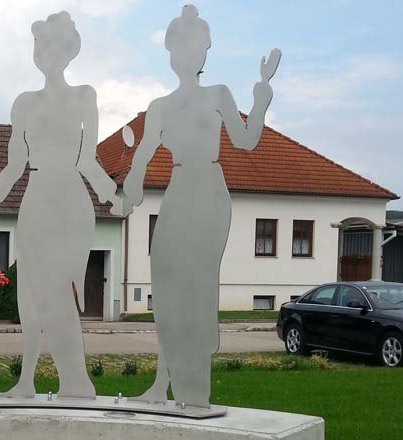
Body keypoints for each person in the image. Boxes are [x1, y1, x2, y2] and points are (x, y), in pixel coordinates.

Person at [123, 5, 280, 409]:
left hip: (209, 191)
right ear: (171, 54)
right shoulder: (160, 106)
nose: (185, 57)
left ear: (204, 53)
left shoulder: (218, 95)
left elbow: (245, 140)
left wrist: (261, 97)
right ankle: (163, 382)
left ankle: (195, 388)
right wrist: (128, 188)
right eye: (177, 49)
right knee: (166, 282)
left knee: (195, 286)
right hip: (177, 189)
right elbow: (141, 155)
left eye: (193, 48)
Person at [0, 11, 122, 399]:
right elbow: (14, 163)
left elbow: (88, 160)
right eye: (39, 44)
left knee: (59, 291)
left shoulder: (84, 96)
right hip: (36, 198)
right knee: (29, 291)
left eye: (52, 44)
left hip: (71, 200)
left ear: (69, 50)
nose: (45, 51)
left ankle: (75, 380)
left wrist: (114, 196)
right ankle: (25, 381)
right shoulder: (23, 103)